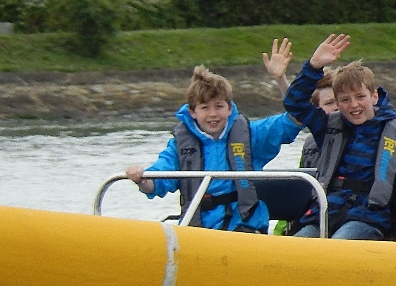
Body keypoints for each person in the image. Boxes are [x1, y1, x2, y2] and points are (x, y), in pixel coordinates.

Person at [283, 34, 396, 240]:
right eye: (345, 100)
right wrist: (314, 67)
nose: (354, 105)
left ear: (374, 96)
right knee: (293, 247)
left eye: (360, 97)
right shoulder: (328, 127)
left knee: (337, 246)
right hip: (325, 213)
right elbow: (294, 103)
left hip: (367, 217)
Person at [125, 64, 303, 233]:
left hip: (244, 225)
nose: (213, 114)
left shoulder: (251, 134)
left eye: (219, 106)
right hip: (198, 229)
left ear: (229, 108)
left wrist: (280, 79)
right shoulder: (179, 146)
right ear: (193, 112)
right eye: (205, 108)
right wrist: (141, 179)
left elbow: (296, 119)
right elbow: (158, 180)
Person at [261, 37, 338, 168]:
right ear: (316, 108)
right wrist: (280, 79)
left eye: (342, 100)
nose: (337, 107)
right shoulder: (315, 138)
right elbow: (298, 109)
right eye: (329, 103)